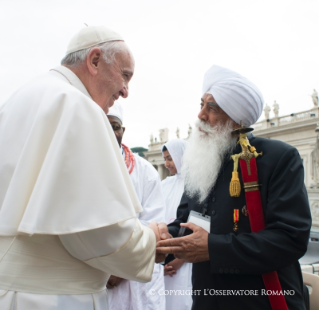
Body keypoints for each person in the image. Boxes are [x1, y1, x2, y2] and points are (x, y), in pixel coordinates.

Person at [0, 25, 168, 310]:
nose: (126, 91)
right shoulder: (79, 106)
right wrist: (150, 239)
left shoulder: (18, 98)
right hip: (55, 299)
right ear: (94, 61)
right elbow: (97, 234)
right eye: (125, 75)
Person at [157, 65, 311, 310]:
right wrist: (160, 239)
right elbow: (187, 223)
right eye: (201, 104)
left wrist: (212, 248)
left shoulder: (278, 158)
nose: (201, 115)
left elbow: (291, 238)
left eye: (212, 108)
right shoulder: (200, 163)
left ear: (236, 118)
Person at [106, 103, 166, 310]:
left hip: (137, 275)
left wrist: (121, 269)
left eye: (115, 127)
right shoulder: (81, 166)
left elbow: (153, 224)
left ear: (123, 131)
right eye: (104, 125)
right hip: (96, 272)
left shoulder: (145, 171)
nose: (111, 132)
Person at [161, 139, 192, 310]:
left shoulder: (196, 183)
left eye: (170, 158)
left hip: (186, 259)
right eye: (165, 158)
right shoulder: (164, 185)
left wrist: (182, 258)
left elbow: (196, 222)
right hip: (164, 255)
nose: (166, 164)